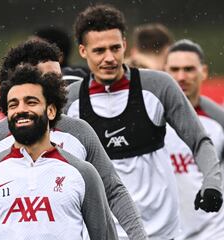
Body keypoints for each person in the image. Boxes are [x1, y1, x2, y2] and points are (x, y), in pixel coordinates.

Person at [65, 4, 223, 239]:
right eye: (99, 51)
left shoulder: (159, 86)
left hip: (162, 231)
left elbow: (199, 140)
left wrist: (212, 182)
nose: (109, 58)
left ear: (125, 46)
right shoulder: (71, 100)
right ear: (83, 51)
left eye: (115, 48)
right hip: (108, 232)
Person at [0, 39, 148, 239]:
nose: (62, 87)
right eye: (51, 79)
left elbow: (113, 191)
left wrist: (139, 237)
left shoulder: (80, 132)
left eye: (60, 78)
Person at [0, 65, 119, 239]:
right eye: (13, 104)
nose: (21, 109)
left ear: (51, 110)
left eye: (31, 102)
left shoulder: (83, 173)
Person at [164, 39, 224, 239]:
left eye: (189, 69)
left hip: (212, 232)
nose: (181, 77)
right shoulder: (150, 118)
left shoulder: (218, 122)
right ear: (164, 71)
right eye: (175, 69)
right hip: (163, 230)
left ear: (204, 72)